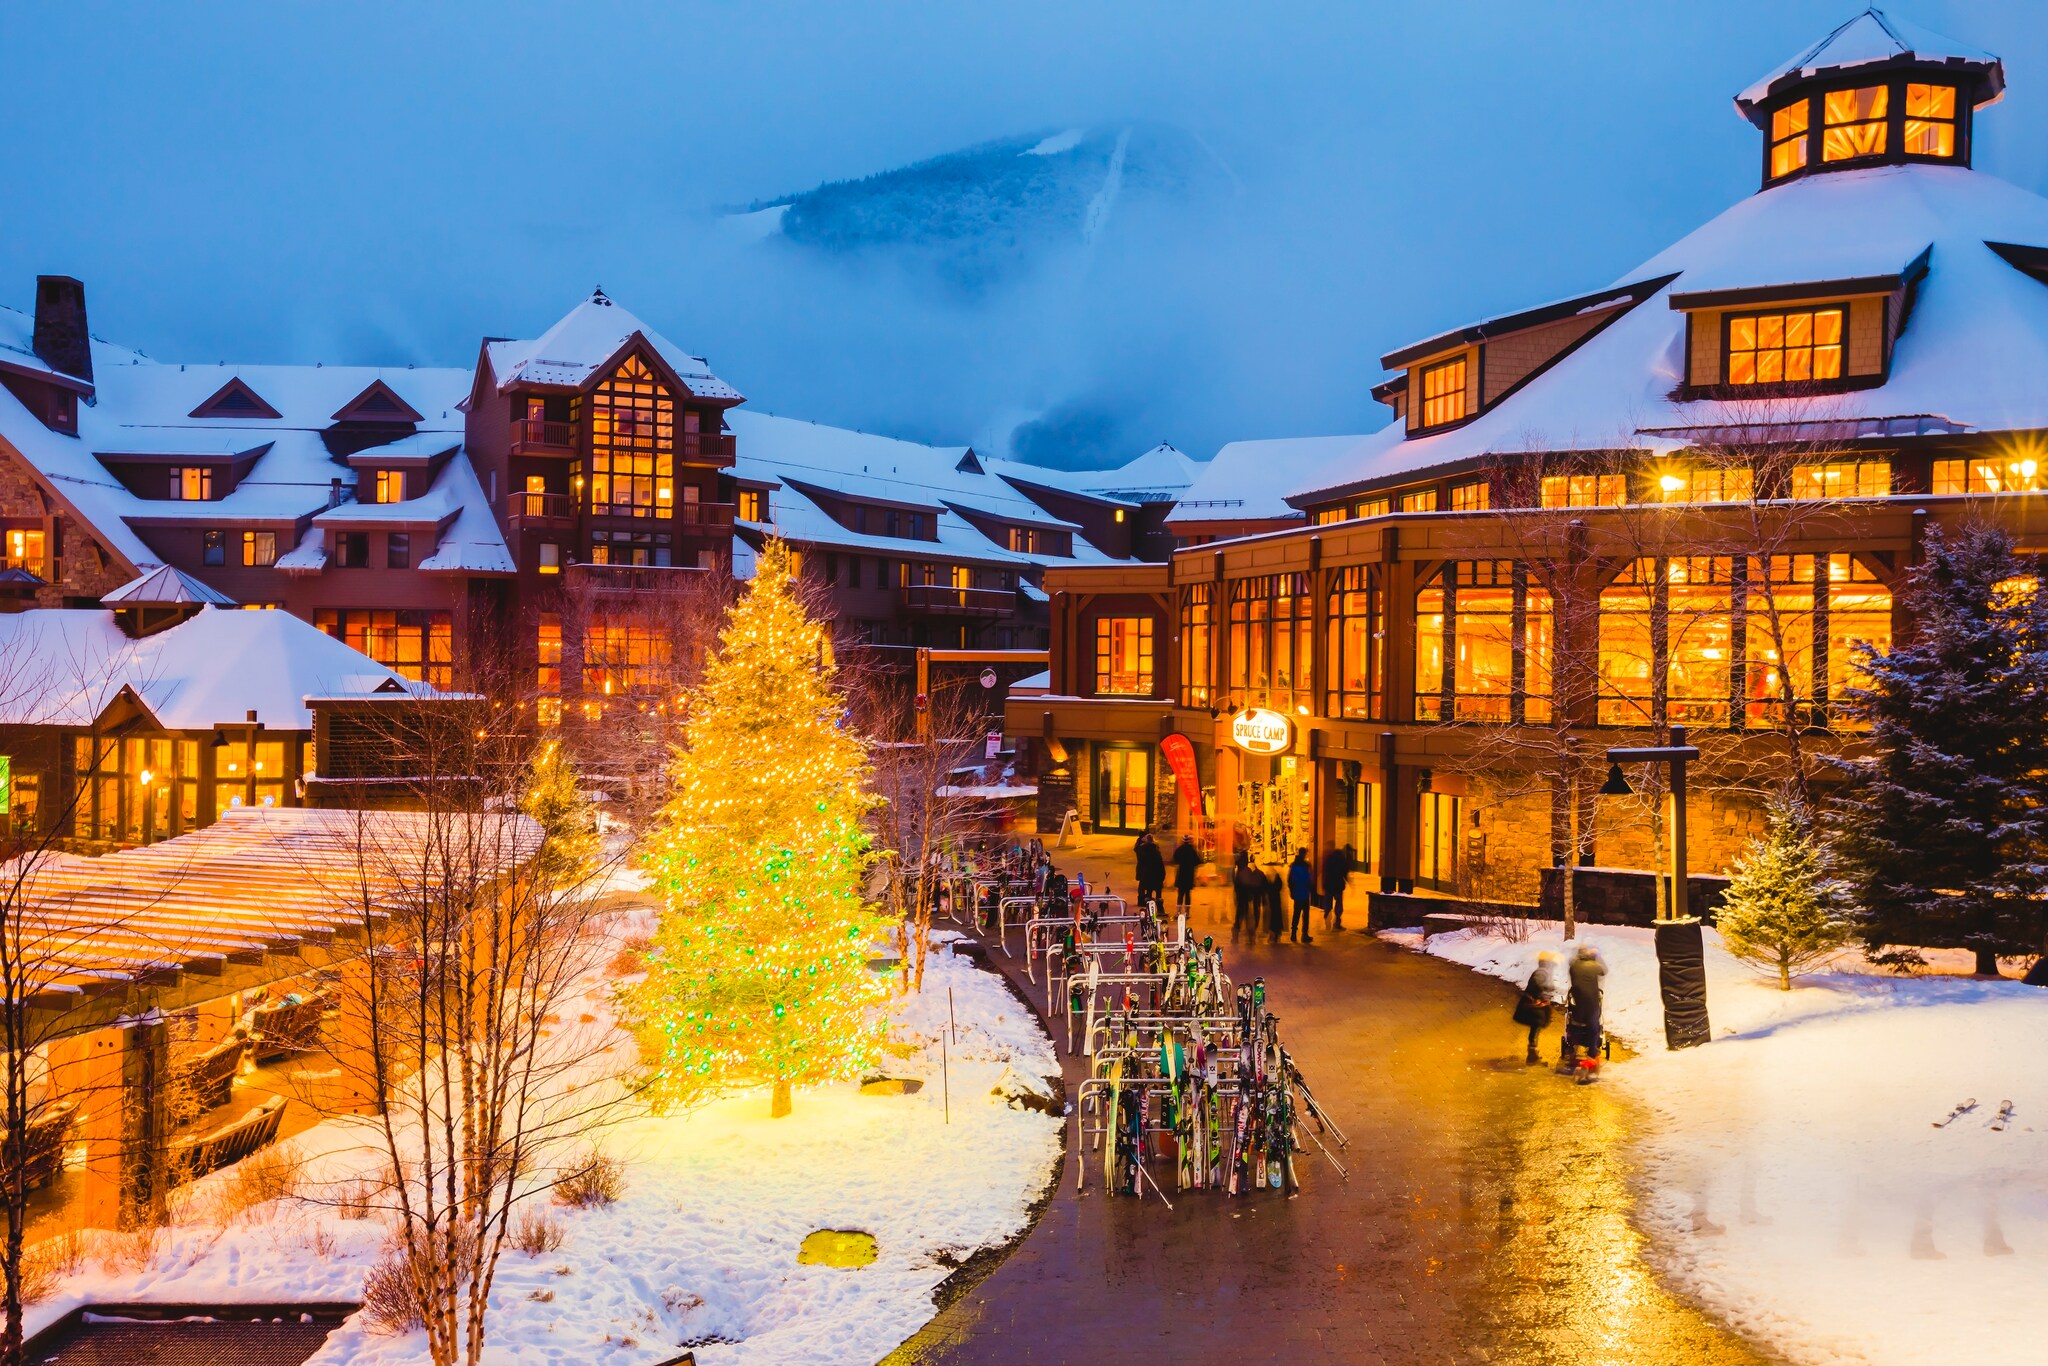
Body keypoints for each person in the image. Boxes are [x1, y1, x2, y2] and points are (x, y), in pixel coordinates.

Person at [1561, 941, 1607, 1082]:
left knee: (1579, 1022)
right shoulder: (1594, 966)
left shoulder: (1574, 966)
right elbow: (1603, 971)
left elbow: (1572, 964)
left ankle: (1575, 1048)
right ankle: (1592, 1055)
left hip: (1578, 1009)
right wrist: (1597, 957)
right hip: (1592, 1006)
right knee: (1594, 1027)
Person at [1514, 951, 1560, 1065]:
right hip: (1535, 1006)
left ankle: (1532, 1055)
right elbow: (1538, 986)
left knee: (1535, 1028)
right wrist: (1541, 997)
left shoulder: (1541, 971)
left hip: (1535, 1005)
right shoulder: (1542, 972)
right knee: (1535, 1027)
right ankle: (1532, 1056)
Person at [1320, 843, 1355, 932]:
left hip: (1328, 885)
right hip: (1338, 885)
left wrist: (1323, 883)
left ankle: (1326, 917)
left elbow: (1324, 870)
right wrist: (1350, 883)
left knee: (1328, 903)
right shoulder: (1342, 859)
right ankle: (1337, 923)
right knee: (1338, 904)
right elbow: (1345, 872)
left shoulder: (1329, 858)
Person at [1286, 849, 1315, 944]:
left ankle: (1293, 933)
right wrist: (1311, 889)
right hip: (1305, 893)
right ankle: (1304, 935)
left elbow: (1290, 880)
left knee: (1296, 913)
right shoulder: (1306, 866)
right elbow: (1309, 879)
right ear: (1305, 854)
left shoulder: (1293, 866)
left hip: (1297, 893)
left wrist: (1292, 891)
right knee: (1305, 916)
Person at [1134, 830, 1166, 908]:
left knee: (1148, 891)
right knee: (1158, 892)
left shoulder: (1142, 849)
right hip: (1156, 875)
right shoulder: (1156, 852)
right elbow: (1160, 865)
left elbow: (1141, 861)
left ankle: (1147, 906)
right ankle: (1159, 908)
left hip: (1146, 874)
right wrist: (1162, 876)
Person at [1172, 835, 1200, 914]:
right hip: (1189, 874)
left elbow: (1175, 859)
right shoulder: (1192, 850)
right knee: (1187, 894)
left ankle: (1178, 911)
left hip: (1181, 873)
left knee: (1180, 893)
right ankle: (1187, 912)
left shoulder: (1179, 849)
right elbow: (1198, 861)